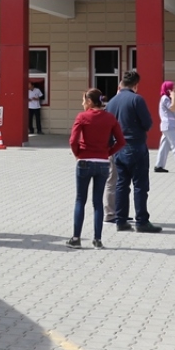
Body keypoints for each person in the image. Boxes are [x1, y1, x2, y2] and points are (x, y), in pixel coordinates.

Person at [69, 88, 126, 248]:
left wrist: (77, 153)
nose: (82, 104)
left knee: (80, 199)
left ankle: (76, 238)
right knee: (98, 202)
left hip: (85, 161)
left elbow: (73, 140)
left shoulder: (82, 116)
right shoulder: (110, 118)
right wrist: (108, 152)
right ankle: (97, 239)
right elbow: (121, 141)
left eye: (83, 101)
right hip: (102, 162)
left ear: (89, 101)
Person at [105, 70, 161, 233]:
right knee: (140, 185)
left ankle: (121, 221)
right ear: (136, 85)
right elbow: (147, 123)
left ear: (121, 83)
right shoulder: (137, 99)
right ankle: (142, 221)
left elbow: (107, 127)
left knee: (121, 184)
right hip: (135, 146)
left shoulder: (112, 102)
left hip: (117, 148)